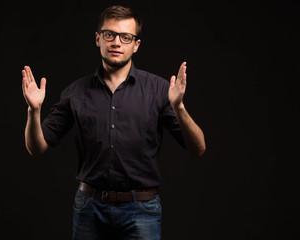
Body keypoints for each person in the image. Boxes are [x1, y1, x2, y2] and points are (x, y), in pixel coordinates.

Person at [21, 5, 205, 240]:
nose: (116, 42)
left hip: (142, 210)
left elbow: (198, 148)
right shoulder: (75, 93)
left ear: (136, 44)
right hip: (89, 207)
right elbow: (36, 148)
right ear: (98, 39)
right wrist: (33, 110)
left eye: (126, 37)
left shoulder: (160, 90)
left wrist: (179, 107)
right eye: (109, 34)